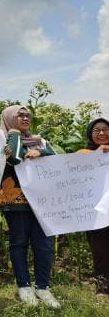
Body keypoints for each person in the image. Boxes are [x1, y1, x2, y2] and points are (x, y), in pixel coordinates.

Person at [0, 105, 60, 308]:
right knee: (19, 242)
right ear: (9, 119)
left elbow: (55, 158)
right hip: (15, 201)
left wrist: (39, 153)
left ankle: (42, 287)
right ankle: (23, 285)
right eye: (19, 115)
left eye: (27, 115)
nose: (25, 118)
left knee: (44, 245)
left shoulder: (39, 140)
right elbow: (15, 157)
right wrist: (15, 134)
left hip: (42, 201)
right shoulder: (2, 141)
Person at [77, 118, 109, 298]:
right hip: (95, 211)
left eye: (106, 130)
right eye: (97, 130)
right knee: (100, 250)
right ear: (90, 133)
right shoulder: (83, 152)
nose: (102, 133)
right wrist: (97, 154)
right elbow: (74, 165)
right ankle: (103, 289)